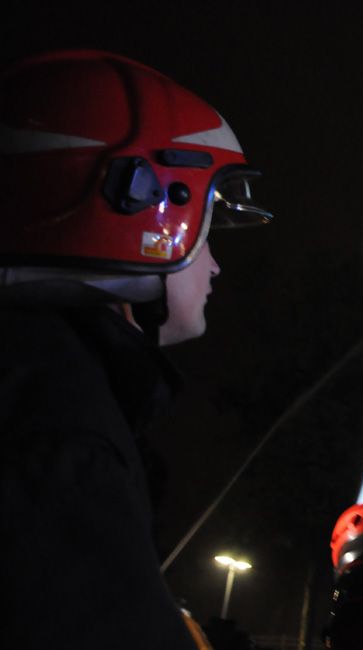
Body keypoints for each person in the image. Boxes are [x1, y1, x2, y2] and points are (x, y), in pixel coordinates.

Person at [0, 50, 272, 649]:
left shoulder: (33, 375)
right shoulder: (64, 437)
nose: (217, 264)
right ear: (139, 201)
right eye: (209, 225)